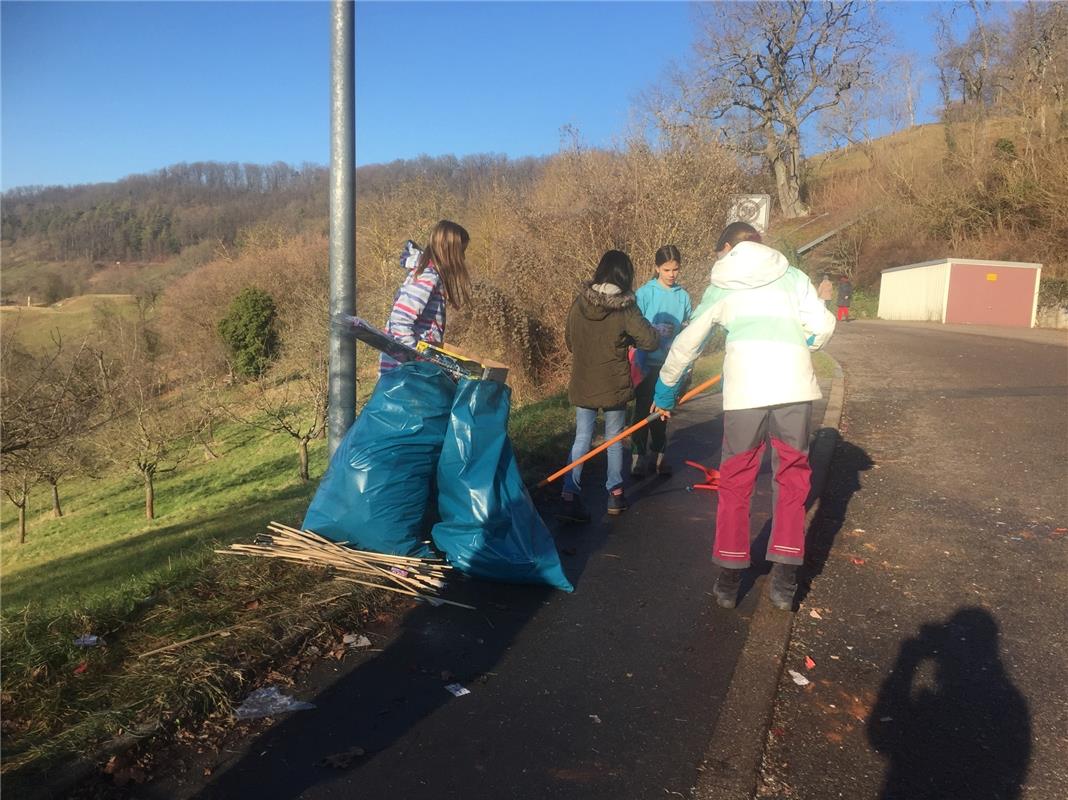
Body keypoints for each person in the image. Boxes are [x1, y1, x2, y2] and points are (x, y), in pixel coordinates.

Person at [651, 222, 835, 611]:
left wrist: (665, 391)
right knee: (792, 477)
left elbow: (688, 341)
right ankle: (785, 579)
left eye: (720, 252)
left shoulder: (723, 284)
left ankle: (730, 578)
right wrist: (804, 344)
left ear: (728, 247)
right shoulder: (793, 275)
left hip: (746, 392)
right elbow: (823, 325)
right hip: (793, 387)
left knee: (736, 480)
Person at [560, 250, 658, 522]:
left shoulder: (579, 303)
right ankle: (615, 494)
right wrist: (629, 340)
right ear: (624, 275)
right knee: (614, 439)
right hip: (613, 382)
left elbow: (570, 341)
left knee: (582, 438)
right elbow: (650, 341)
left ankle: (569, 495)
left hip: (583, 380)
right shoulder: (625, 306)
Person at [630, 245, 693, 477]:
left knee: (662, 412)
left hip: (670, 365)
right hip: (645, 363)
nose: (671, 274)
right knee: (641, 411)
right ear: (657, 268)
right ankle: (637, 457)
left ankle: (658, 456)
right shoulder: (645, 294)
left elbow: (687, 329)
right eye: (666, 269)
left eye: (675, 269)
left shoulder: (683, 297)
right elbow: (635, 326)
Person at [380, 220, 472, 375]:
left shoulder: (429, 275)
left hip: (411, 369)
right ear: (449, 251)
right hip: (406, 373)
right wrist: (418, 360)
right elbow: (400, 322)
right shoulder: (427, 277)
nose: (463, 258)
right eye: (461, 251)